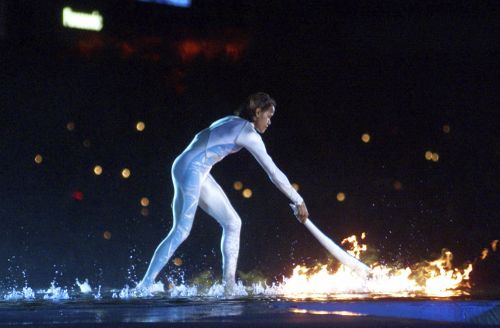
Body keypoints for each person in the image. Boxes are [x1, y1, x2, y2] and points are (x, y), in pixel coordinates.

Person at [136, 92, 309, 293]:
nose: (269, 122)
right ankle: (144, 285)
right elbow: (273, 173)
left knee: (233, 223)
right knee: (182, 230)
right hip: (191, 169)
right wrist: (298, 200)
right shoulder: (248, 133)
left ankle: (229, 288)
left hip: (192, 168)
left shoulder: (231, 120)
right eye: (268, 116)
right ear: (257, 112)